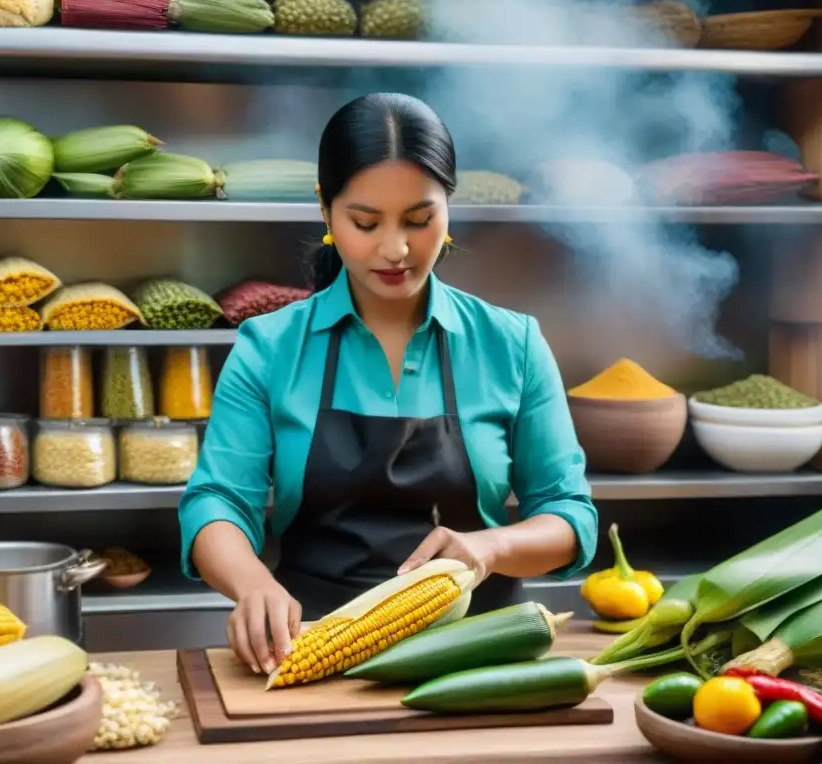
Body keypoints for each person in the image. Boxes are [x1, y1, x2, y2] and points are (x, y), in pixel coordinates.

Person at [179, 92, 598, 676]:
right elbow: (218, 499)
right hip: (311, 649)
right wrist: (252, 584)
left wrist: (491, 547)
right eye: (366, 222)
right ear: (326, 210)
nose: (396, 249)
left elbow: (568, 512)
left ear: (448, 208)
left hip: (479, 653)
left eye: (420, 220)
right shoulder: (270, 348)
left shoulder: (512, 344)